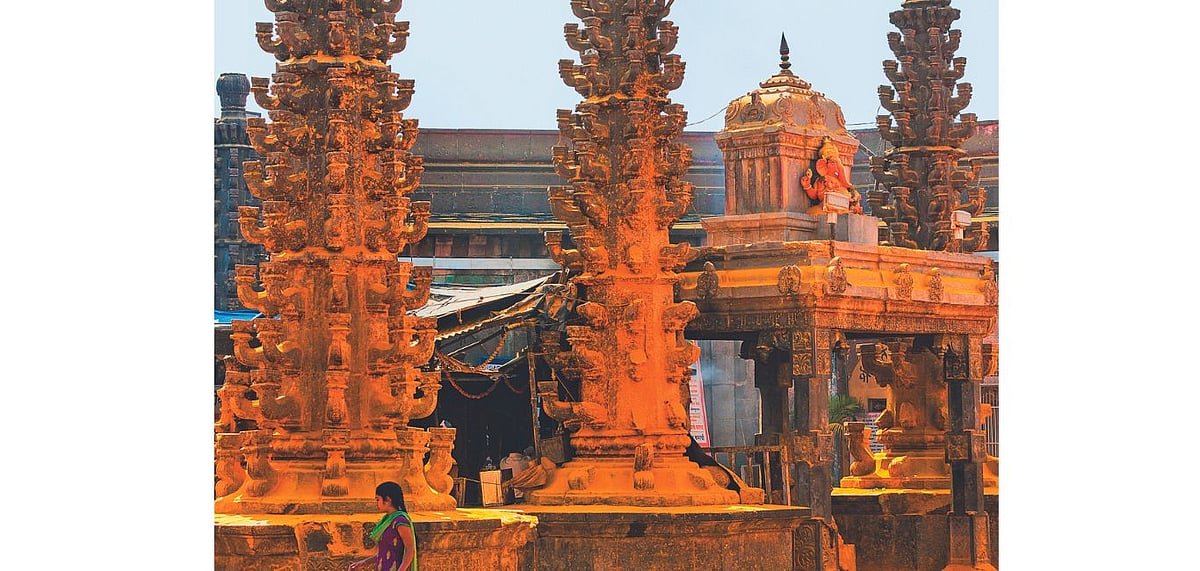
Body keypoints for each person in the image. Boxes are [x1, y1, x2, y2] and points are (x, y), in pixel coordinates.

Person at [349, 482, 417, 571]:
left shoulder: (400, 521)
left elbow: (410, 548)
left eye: (378, 499)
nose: (376, 503)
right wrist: (364, 563)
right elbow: (384, 552)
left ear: (388, 500)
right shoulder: (386, 520)